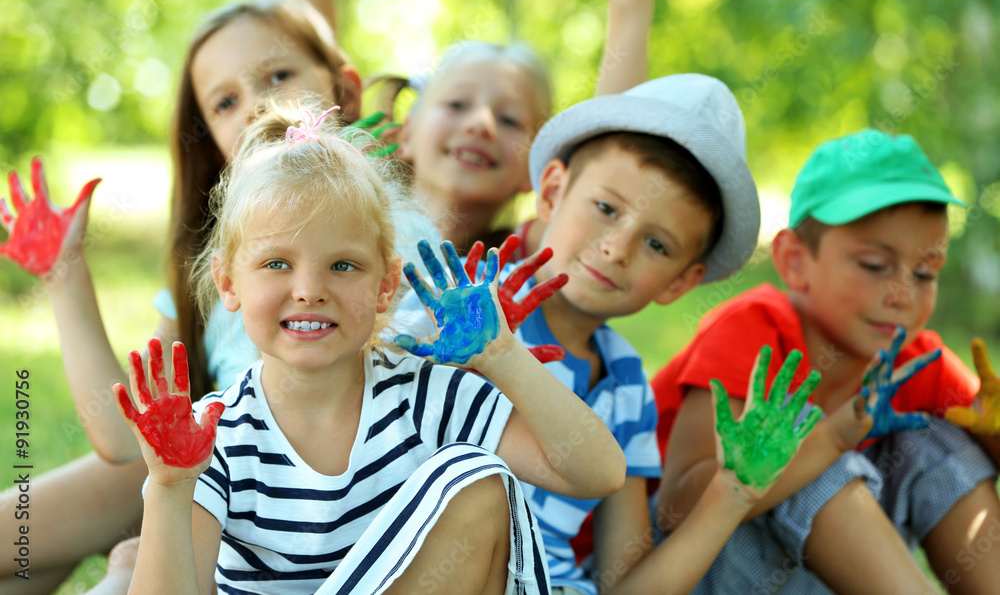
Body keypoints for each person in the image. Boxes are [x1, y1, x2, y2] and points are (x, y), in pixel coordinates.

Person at [113, 102, 625, 594]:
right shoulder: (215, 439)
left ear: (385, 286)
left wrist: (502, 357)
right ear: (228, 283)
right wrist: (170, 488)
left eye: (343, 265)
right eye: (276, 264)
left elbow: (599, 473)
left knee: (475, 477)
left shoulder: (428, 399)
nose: (309, 289)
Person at [0, 0, 361, 592]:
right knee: (17, 548)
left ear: (345, 87)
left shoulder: (378, 221)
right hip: (203, 465)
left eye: (279, 76)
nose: (257, 104)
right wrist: (64, 275)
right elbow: (119, 432)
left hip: (287, 506)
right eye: (224, 102)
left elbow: (315, 36)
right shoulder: (210, 267)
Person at [397, 72, 837, 594]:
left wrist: (733, 493)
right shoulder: (467, 307)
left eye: (658, 244)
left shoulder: (628, 391)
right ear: (554, 191)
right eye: (606, 209)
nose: (617, 247)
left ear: (682, 281)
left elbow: (627, 585)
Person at [653, 128, 1000, 593]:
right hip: (692, 570)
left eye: (924, 273)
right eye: (875, 266)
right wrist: (828, 440)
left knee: (934, 442)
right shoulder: (753, 332)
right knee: (794, 442)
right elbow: (675, 510)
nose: (901, 294)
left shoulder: (912, 360)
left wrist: (995, 434)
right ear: (795, 260)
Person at [372, 0, 670, 257]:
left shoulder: (525, 260)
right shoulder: (345, 214)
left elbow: (611, 165)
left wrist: (630, 2)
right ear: (407, 132)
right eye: (457, 104)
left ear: (537, 169)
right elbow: (307, 41)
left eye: (510, 120)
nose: (480, 124)